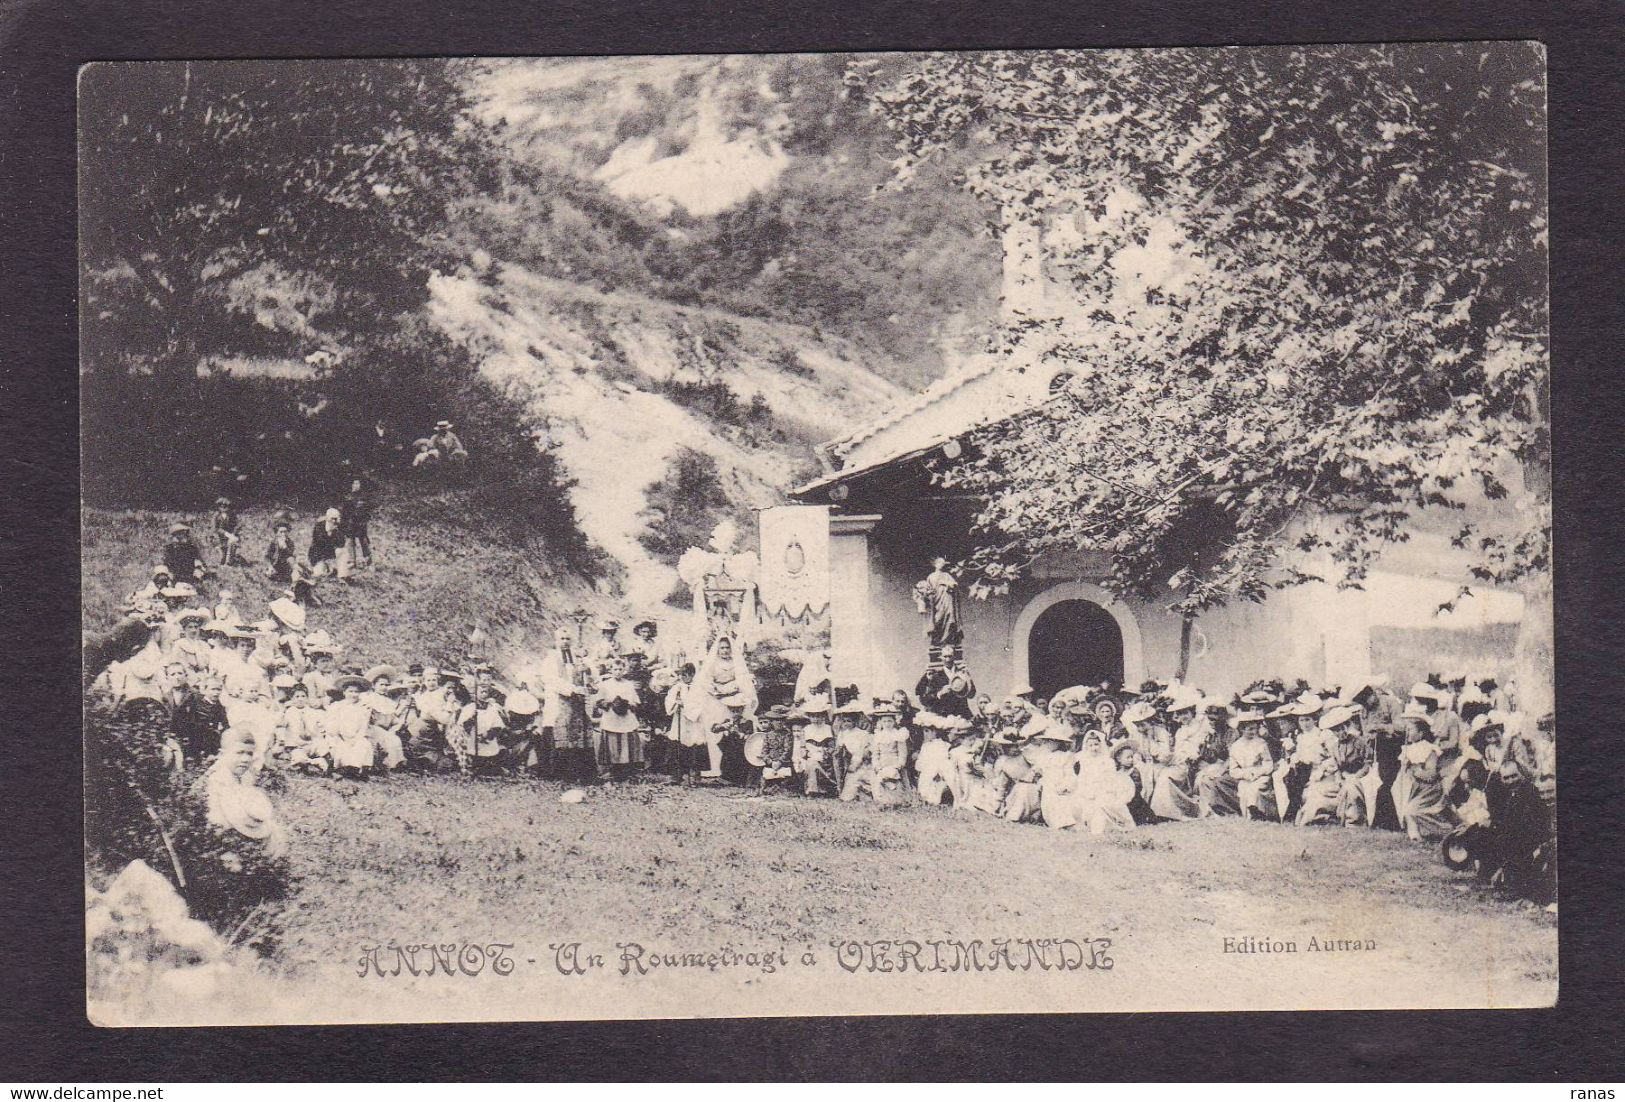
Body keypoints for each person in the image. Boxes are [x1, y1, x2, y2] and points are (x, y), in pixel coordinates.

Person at [691, 633, 757, 779]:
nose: (725, 651)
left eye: (727, 648)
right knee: (715, 732)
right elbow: (705, 681)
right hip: (715, 701)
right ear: (717, 649)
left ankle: (731, 769)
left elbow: (742, 681)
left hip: (733, 700)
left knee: (731, 731)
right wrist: (716, 690)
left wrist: (731, 689)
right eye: (722, 648)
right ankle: (714, 767)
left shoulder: (737, 663)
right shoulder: (712, 663)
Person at [540, 627, 596, 783]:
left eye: (567, 639)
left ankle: (583, 773)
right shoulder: (551, 659)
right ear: (556, 641)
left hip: (577, 703)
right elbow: (550, 679)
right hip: (559, 700)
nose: (565, 642)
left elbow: (592, 675)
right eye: (562, 639)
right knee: (560, 733)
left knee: (580, 734)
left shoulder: (578, 657)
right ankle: (560, 774)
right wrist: (572, 689)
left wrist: (588, 670)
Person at [1392, 703, 1454, 842]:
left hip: (1428, 788)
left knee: (1412, 811)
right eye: (1407, 729)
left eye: (1411, 729)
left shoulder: (1428, 749)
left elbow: (1431, 775)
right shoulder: (1407, 749)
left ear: (1421, 733)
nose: (1407, 732)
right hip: (1412, 787)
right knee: (1406, 805)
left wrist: (1417, 771)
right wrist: (1405, 767)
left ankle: (1446, 831)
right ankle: (1414, 833)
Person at [1296, 704, 1366, 825]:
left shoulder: (1359, 742)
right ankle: (1321, 817)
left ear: (1348, 726)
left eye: (1343, 728)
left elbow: (1367, 763)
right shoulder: (1335, 747)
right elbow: (1338, 766)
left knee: (1351, 787)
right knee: (1319, 791)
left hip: (1361, 777)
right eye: (1336, 730)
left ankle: (1353, 821)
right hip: (1343, 777)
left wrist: (1355, 776)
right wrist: (1340, 777)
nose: (1340, 733)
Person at [1070, 729, 1137, 834]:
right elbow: (1082, 779)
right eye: (1090, 745)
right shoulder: (1084, 761)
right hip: (1088, 790)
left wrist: (1101, 789)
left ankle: (1111, 826)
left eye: (1096, 744)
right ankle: (1091, 826)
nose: (1094, 748)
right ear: (1086, 746)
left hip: (1105, 789)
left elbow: (1111, 779)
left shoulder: (1108, 761)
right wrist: (1087, 791)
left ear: (1101, 744)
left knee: (1104, 803)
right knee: (1079, 803)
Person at [593, 656, 644, 778]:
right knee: (612, 741)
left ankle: (628, 768)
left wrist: (629, 704)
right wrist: (609, 702)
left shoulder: (628, 685)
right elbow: (598, 701)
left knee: (628, 739)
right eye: (615, 669)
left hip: (626, 716)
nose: (618, 672)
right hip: (611, 715)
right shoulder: (605, 684)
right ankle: (611, 769)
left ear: (624, 670)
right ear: (611, 670)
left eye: (620, 669)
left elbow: (635, 701)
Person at [324, 674, 377, 778]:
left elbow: (363, 727)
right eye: (350, 691)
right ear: (344, 692)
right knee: (339, 746)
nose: (353, 695)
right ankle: (342, 768)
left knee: (363, 744)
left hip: (356, 737)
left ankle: (357, 769)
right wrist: (341, 736)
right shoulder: (337, 706)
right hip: (339, 736)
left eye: (356, 692)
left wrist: (356, 739)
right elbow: (332, 725)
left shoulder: (363, 708)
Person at [916, 644, 975, 721]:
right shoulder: (935, 676)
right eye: (945, 656)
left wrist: (968, 679)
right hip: (942, 717)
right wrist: (939, 694)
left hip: (961, 716)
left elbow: (972, 694)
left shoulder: (962, 673)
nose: (948, 660)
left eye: (950, 656)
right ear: (941, 657)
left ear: (954, 656)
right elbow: (925, 700)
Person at [794, 699, 837, 796]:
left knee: (816, 763)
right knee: (811, 763)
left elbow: (832, 745)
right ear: (809, 717)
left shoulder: (828, 728)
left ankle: (825, 789)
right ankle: (812, 790)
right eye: (813, 716)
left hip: (826, 757)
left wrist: (825, 753)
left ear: (823, 716)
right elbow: (802, 746)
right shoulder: (806, 729)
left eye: (818, 716)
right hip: (810, 756)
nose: (816, 719)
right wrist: (806, 753)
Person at [308, 508, 349, 583]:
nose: (334, 521)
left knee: (343, 551)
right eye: (332, 518)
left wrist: (336, 532)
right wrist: (329, 534)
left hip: (331, 554)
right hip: (318, 555)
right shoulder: (319, 526)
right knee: (319, 574)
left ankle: (342, 576)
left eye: (336, 519)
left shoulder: (338, 527)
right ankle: (329, 570)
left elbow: (341, 543)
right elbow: (319, 543)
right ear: (327, 518)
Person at [266, 516, 297, 585]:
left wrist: (285, 547)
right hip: (275, 564)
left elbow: (291, 554)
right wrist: (270, 566)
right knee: (271, 574)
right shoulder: (273, 542)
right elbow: (267, 556)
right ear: (277, 533)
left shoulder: (290, 542)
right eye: (281, 532)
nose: (283, 534)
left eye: (285, 532)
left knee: (291, 560)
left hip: (285, 565)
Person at [211, 497, 241, 567]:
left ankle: (230, 561)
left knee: (233, 541)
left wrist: (233, 533)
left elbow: (236, 525)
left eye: (226, 506)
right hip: (218, 538)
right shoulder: (215, 516)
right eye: (221, 506)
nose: (224, 508)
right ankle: (224, 560)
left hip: (229, 537)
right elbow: (215, 529)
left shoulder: (231, 515)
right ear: (218, 507)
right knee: (221, 559)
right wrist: (226, 534)